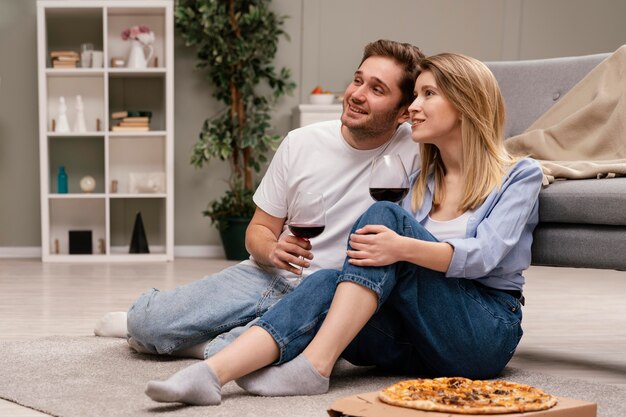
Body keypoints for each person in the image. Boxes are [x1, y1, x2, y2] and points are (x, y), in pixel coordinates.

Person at [143, 52, 544, 406]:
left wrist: (401, 248)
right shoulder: (422, 175)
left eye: (428, 95)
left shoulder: (518, 175)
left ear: (466, 102)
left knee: (384, 217)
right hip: (419, 340)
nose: (414, 108)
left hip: (482, 333)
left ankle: (314, 366)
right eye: (415, 95)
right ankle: (210, 376)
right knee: (327, 282)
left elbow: (484, 257)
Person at [94, 39, 424, 361]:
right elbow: (258, 231)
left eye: (377, 89)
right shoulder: (301, 143)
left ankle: (198, 347)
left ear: (403, 113)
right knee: (145, 323)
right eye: (357, 80)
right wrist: (273, 250)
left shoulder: (418, 150)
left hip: (329, 295)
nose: (356, 95)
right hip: (266, 275)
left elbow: (465, 114)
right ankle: (158, 329)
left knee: (253, 358)